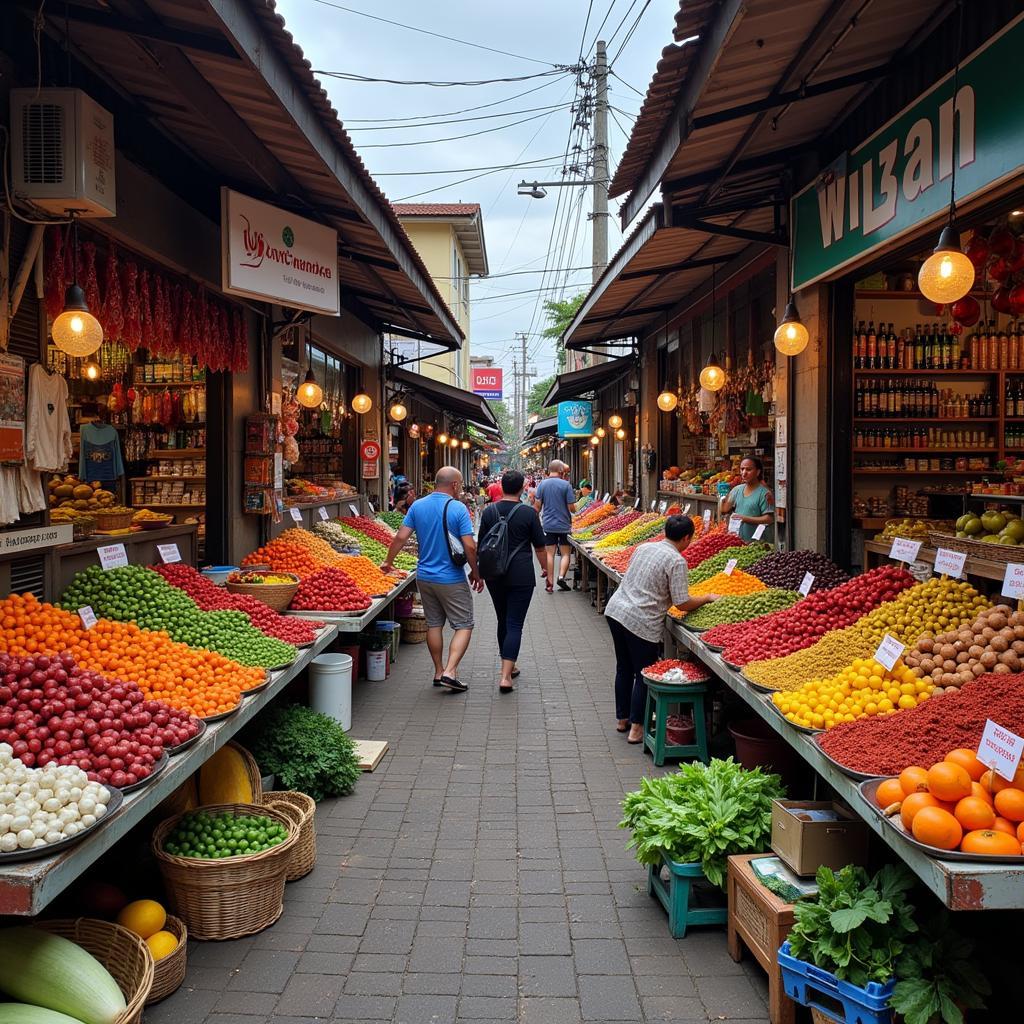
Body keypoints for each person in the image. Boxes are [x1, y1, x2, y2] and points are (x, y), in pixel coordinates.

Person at [604, 515, 717, 743]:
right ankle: (637, 728)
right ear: (686, 538)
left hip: (616, 610)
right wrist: (706, 598)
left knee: (623, 667)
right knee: (644, 673)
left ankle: (622, 719)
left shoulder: (645, 547)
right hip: (641, 620)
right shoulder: (676, 561)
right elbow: (682, 602)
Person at [381, 466, 483, 692]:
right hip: (451, 578)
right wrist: (475, 572)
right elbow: (469, 545)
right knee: (464, 624)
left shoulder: (417, 505)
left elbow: (400, 537)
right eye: (461, 484)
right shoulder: (458, 508)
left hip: (424, 576)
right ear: (455, 485)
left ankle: (438, 672)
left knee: (434, 624)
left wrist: (388, 562)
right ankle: (450, 671)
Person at [478, 469, 547, 694]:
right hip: (521, 574)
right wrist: (546, 568)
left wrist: (478, 572)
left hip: (494, 574)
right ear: (522, 488)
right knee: (514, 623)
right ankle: (506, 676)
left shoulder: (489, 512)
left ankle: (508, 665)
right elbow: (539, 546)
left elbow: (481, 544)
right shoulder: (528, 513)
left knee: (502, 619)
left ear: (501, 487)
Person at [533, 460, 577, 593]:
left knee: (550, 554)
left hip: (548, 525)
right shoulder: (566, 485)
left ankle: (550, 583)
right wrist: (576, 509)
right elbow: (571, 507)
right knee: (565, 553)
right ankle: (561, 576)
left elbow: (537, 506)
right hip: (564, 525)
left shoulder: (542, 484)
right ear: (560, 471)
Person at [719, 455, 775, 541]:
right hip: (738, 543)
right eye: (742, 469)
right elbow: (724, 509)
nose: (744, 473)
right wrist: (722, 498)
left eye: (748, 469)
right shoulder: (736, 490)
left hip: (759, 544)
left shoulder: (765, 493)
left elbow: (769, 519)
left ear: (758, 472)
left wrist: (744, 518)